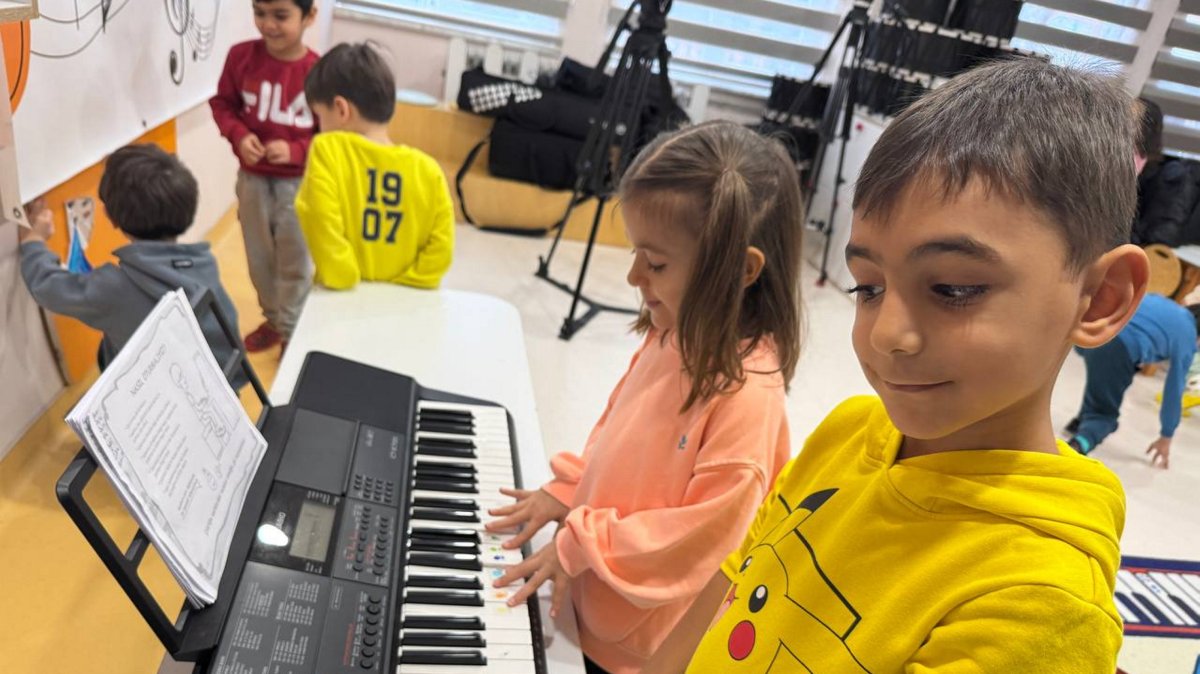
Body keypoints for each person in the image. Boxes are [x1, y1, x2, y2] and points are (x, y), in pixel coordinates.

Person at [645, 58, 1148, 673]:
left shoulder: (1038, 605)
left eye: (954, 289)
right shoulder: (851, 429)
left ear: (1101, 298)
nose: (887, 336)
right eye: (869, 287)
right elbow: (733, 583)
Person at [485, 121, 804, 674]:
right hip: (594, 596)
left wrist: (580, 543)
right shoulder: (676, 328)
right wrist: (568, 489)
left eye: (655, 263)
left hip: (638, 646)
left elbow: (692, 544)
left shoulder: (749, 400)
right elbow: (618, 432)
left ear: (742, 270)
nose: (634, 276)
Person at [19, 145, 246, 389]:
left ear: (111, 217)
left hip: (155, 406)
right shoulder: (202, 263)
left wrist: (33, 241)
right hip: (219, 395)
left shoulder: (114, 288)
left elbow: (48, 287)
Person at [295, 42, 454, 289]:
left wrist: (344, 276)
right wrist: (409, 284)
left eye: (319, 116)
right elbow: (442, 245)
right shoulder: (429, 170)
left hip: (342, 298)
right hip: (405, 301)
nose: (319, 126)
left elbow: (319, 217)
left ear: (340, 109)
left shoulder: (328, 149)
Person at [210, 0, 319, 353]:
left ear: (309, 16)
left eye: (281, 15)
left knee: (295, 260)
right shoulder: (241, 56)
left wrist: (297, 151)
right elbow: (223, 105)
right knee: (259, 260)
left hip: (299, 185)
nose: (268, 24)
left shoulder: (318, 73)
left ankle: (292, 328)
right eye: (260, 13)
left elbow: (332, 134)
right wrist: (239, 135)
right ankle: (274, 319)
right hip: (252, 181)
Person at [1066, 293, 1198, 468]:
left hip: (1091, 328)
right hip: (1116, 349)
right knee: (1105, 416)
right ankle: (1078, 445)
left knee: (1107, 382)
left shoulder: (1163, 303)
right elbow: (1174, 391)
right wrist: (1166, 435)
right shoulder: (1188, 339)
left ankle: (1079, 422)